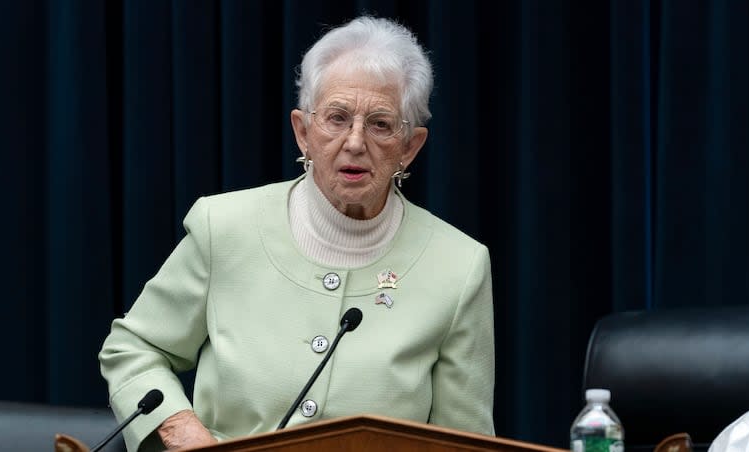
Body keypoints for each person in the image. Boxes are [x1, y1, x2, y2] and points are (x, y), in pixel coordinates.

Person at [99, 15, 495, 451]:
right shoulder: (224, 227)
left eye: (380, 124)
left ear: (411, 146)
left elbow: (464, 442)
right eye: (337, 118)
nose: (355, 142)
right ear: (303, 132)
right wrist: (186, 435)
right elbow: (134, 348)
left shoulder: (459, 267)